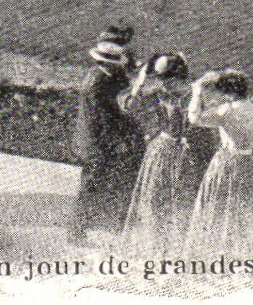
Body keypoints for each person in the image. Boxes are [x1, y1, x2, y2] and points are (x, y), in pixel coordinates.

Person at [186, 69, 253, 251]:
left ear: (226, 93)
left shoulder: (225, 111)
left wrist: (196, 94)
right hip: (249, 164)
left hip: (225, 163)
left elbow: (193, 118)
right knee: (245, 211)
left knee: (217, 206)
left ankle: (214, 249)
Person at [119, 53, 202, 251]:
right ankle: (156, 244)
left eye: (167, 79)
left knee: (180, 200)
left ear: (179, 77)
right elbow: (129, 105)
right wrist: (139, 83)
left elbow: (199, 128)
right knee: (155, 197)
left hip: (184, 155)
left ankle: (176, 246)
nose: (163, 84)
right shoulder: (159, 93)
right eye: (161, 79)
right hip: (161, 151)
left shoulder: (193, 96)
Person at [67, 39, 142, 245]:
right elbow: (100, 118)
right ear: (109, 63)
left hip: (98, 139)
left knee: (102, 183)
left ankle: (91, 228)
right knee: (90, 185)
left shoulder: (106, 76)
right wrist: (116, 141)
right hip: (95, 142)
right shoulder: (97, 83)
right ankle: (76, 232)